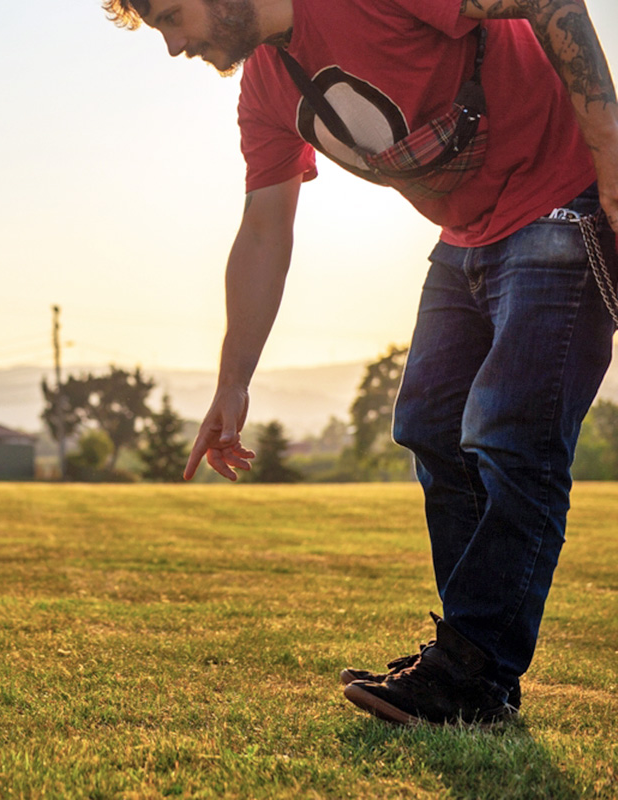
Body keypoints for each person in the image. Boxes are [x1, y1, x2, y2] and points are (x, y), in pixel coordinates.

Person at [102, 0, 618, 724]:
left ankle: (470, 669)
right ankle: (479, 674)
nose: (172, 45)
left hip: (564, 198)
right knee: (431, 425)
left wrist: (610, 146)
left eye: (168, 17)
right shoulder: (267, 87)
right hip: (468, 237)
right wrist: (232, 380)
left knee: (510, 436)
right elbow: (263, 229)